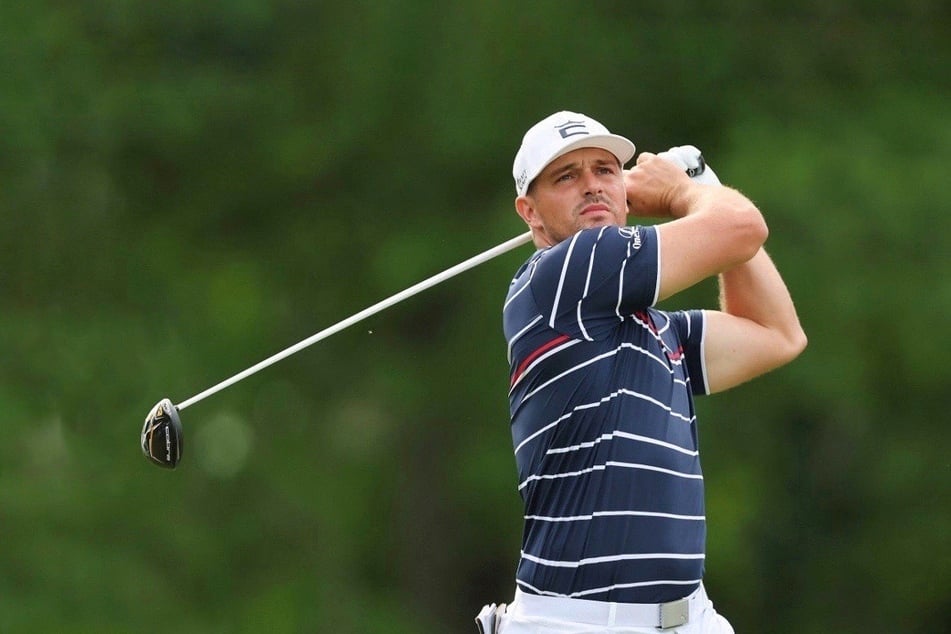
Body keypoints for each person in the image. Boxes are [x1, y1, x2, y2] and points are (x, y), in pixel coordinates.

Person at [478, 112, 807, 633]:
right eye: (566, 177)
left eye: (606, 171)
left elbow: (776, 334)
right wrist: (686, 194)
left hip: (690, 618)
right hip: (582, 623)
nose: (592, 186)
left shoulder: (654, 328)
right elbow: (743, 226)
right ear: (530, 213)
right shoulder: (563, 274)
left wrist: (702, 188)